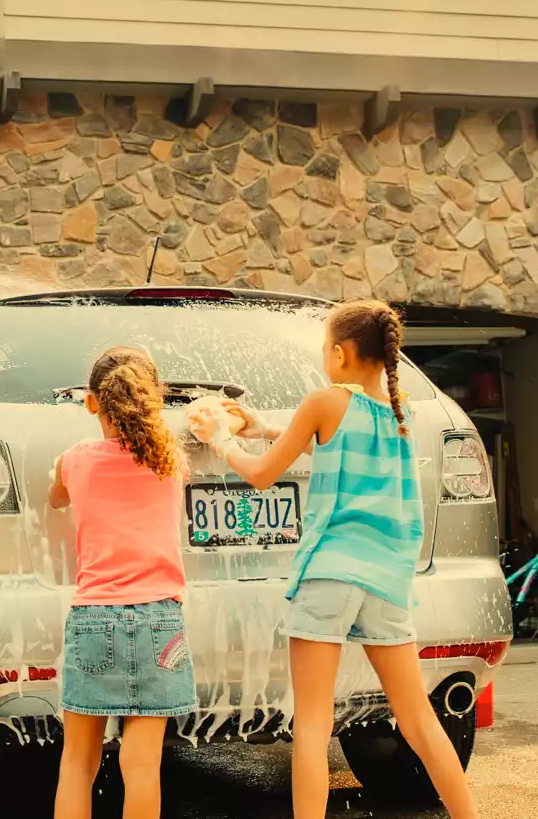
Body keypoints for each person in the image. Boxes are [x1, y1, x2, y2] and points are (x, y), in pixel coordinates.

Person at [188, 300, 477, 819]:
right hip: (386, 581)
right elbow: (338, 449)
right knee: (418, 719)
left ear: (340, 353)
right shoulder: (400, 411)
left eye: (325, 348)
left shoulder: (324, 401)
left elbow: (258, 475)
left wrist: (222, 438)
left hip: (329, 577)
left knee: (314, 724)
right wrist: (270, 428)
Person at [46, 347, 194, 819]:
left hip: (93, 619)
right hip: (160, 619)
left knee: (78, 761)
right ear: (154, 399)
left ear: (92, 403)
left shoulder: (73, 460)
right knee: (142, 764)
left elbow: (55, 500)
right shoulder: (170, 460)